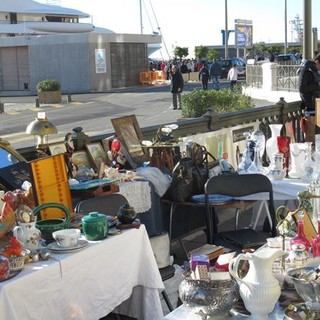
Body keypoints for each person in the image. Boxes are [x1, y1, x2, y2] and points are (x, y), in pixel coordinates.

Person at [298, 53, 320, 142]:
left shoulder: (314, 71)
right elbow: (301, 88)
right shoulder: (305, 70)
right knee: (311, 137)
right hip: (310, 107)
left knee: (317, 137)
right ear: (317, 62)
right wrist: (317, 85)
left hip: (317, 106)